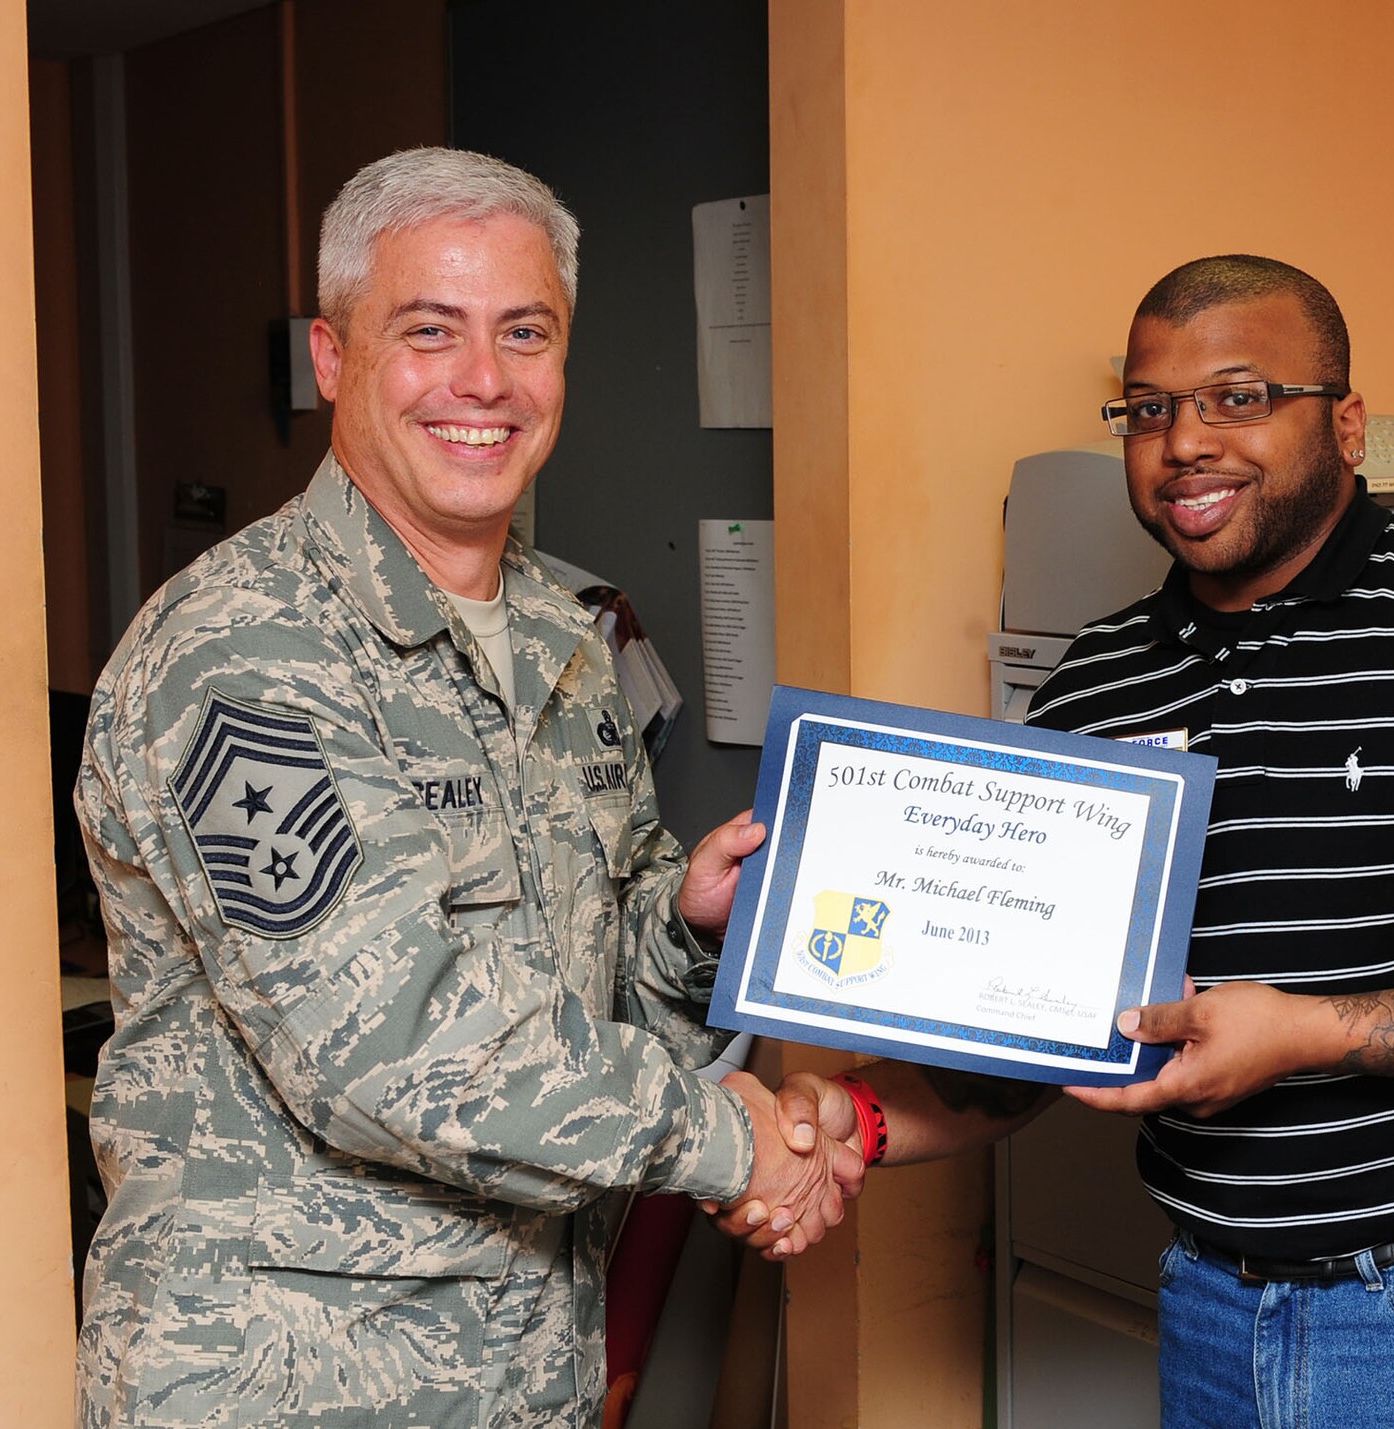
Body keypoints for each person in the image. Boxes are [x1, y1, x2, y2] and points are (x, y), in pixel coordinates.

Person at [726, 255, 1394, 1428]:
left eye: (1236, 397)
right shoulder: (1096, 682)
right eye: (1149, 409)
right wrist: (856, 1119)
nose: (1184, 441)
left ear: (1345, 423)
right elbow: (1036, 1031)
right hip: (1213, 1313)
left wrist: (1310, 1031)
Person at [73, 147, 855, 1429]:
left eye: (524, 332)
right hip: (292, 1388)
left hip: (522, 1373)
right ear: (334, 357)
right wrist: (733, 1143)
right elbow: (389, 1046)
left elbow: (581, 986)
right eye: (429, 331)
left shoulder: (563, 633)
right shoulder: (243, 651)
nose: (484, 381)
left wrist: (684, 925)